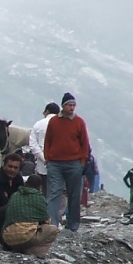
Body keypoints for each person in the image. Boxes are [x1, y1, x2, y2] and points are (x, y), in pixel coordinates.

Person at [43, 92, 89, 232]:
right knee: (54, 193)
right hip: (55, 163)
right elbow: (48, 140)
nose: (72, 107)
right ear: (63, 106)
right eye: (69, 105)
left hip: (74, 163)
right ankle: (53, 225)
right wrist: (47, 158)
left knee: (74, 194)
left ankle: (73, 225)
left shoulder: (79, 122)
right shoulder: (54, 121)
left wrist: (82, 161)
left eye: (74, 105)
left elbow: (84, 143)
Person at [2, 174, 59, 258]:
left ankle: (17, 248)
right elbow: (46, 220)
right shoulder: (39, 197)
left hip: (8, 238)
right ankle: (34, 252)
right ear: (40, 187)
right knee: (53, 230)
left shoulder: (15, 195)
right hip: (26, 237)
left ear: (26, 184)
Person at [28, 102, 61, 195]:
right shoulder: (63, 125)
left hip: (42, 167)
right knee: (56, 193)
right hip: (59, 165)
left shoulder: (38, 124)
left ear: (47, 111)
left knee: (44, 192)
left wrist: (44, 159)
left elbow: (33, 145)